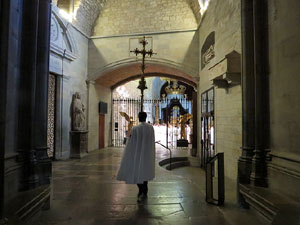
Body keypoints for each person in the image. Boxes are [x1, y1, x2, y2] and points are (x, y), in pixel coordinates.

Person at [117, 112, 155, 202]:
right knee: (145, 171)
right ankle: (144, 189)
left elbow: (131, 141)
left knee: (138, 170)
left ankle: (141, 190)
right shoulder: (150, 128)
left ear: (138, 117)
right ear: (146, 117)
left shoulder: (135, 128)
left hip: (137, 153)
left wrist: (130, 153)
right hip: (147, 153)